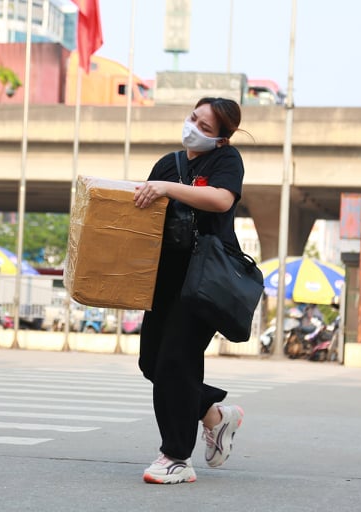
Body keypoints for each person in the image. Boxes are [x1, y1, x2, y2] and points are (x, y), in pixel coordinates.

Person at [133, 97, 246, 484]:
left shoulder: (226, 161)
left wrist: (166, 188)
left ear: (221, 138)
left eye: (205, 127)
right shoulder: (168, 163)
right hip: (164, 278)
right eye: (193, 118)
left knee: (177, 361)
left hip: (204, 280)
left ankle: (176, 457)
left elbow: (221, 199)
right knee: (152, 363)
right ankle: (214, 415)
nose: (193, 127)